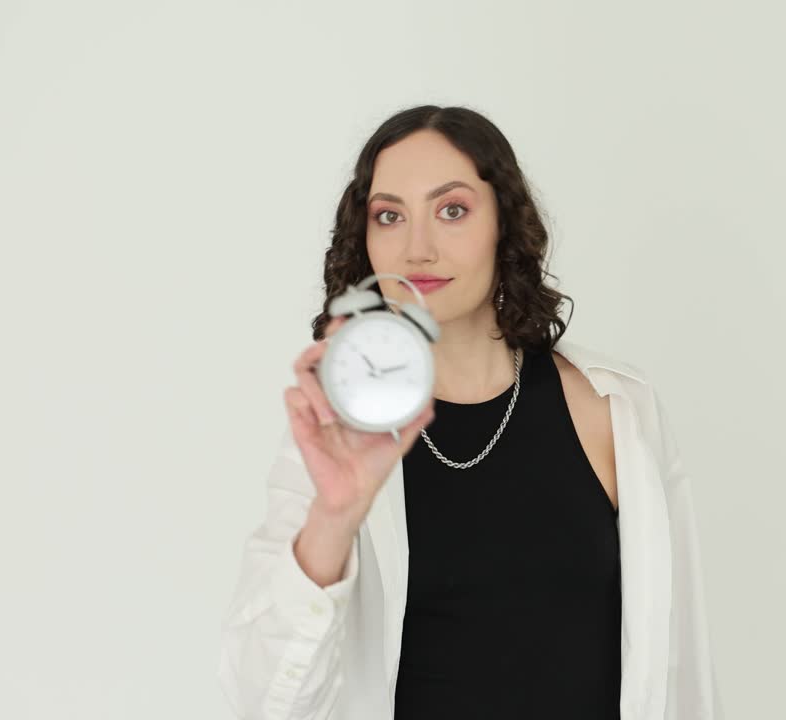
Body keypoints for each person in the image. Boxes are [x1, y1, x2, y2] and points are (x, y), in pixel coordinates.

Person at [217, 105, 723, 719]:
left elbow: (678, 672)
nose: (417, 246)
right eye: (389, 215)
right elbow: (262, 700)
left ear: (503, 226)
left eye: (451, 210)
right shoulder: (338, 434)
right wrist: (336, 515)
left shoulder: (615, 409)